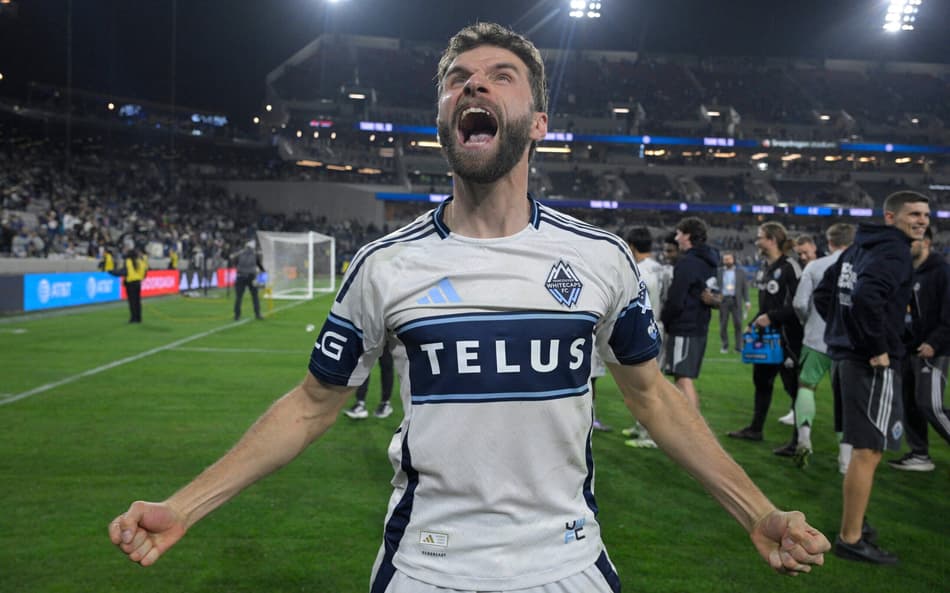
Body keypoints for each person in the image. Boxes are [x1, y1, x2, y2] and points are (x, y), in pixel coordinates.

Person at [108, 23, 829, 590]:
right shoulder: (386, 265)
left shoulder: (598, 259)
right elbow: (309, 405)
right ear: (444, 117)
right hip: (427, 566)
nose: (472, 85)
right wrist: (186, 506)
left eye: (498, 76)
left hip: (569, 564)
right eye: (457, 79)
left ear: (537, 122)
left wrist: (757, 511)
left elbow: (656, 400)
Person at [814, 190, 930, 564]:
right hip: (869, 362)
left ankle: (856, 524)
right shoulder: (894, 249)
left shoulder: (857, 247)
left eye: (926, 215)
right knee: (869, 451)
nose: (922, 220)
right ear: (890, 217)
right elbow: (865, 297)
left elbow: (826, 293)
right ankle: (851, 537)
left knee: (864, 448)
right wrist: (874, 345)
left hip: (847, 357)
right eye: (914, 213)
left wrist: (842, 334)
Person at [728, 222, 803, 457]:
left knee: (795, 390)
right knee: (761, 382)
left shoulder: (790, 267)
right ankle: (755, 429)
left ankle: (799, 441)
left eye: (759, 237)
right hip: (766, 338)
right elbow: (765, 305)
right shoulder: (763, 268)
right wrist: (754, 322)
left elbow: (799, 305)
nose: (756, 241)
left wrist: (771, 316)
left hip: (788, 338)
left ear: (771, 239)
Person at [790, 223, 854, 468]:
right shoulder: (861, 266)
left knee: (807, 386)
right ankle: (845, 460)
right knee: (846, 399)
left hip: (817, 339)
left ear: (829, 243)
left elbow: (799, 303)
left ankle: (804, 440)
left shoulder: (815, 267)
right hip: (848, 344)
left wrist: (809, 322)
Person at [888, 226, 950, 472]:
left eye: (910, 242)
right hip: (909, 349)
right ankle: (919, 454)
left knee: (929, 404)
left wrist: (934, 343)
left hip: (936, 349)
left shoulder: (942, 272)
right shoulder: (909, 273)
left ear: (925, 242)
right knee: (910, 402)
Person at [659, 217, 719, 410]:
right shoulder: (710, 261)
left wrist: (665, 321)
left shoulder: (688, 263)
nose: (676, 238)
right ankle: (688, 426)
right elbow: (714, 294)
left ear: (688, 236)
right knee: (683, 376)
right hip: (699, 325)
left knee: (683, 378)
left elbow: (676, 299)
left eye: (679, 233)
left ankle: (693, 427)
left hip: (685, 326)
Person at [621, 226, 668, 447]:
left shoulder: (639, 272)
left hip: (644, 329)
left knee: (646, 387)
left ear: (631, 246)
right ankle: (641, 426)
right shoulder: (662, 269)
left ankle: (650, 436)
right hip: (660, 326)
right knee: (646, 385)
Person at [344, 342, 395, 420]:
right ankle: (360, 404)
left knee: (386, 365)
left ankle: (385, 403)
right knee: (365, 364)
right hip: (371, 334)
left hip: (387, 334)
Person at [716, 251, 750, 354]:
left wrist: (747, 301)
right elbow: (715, 285)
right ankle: (725, 346)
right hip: (723, 300)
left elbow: (745, 288)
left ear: (733, 260)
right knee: (723, 325)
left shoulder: (741, 272)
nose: (727, 261)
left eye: (729, 259)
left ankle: (738, 347)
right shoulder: (719, 272)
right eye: (725, 259)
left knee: (738, 324)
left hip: (736, 300)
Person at [113, 245, 148, 324]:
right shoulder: (140, 261)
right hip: (138, 282)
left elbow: (124, 272)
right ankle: (139, 318)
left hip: (130, 283)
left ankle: (133, 318)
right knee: (137, 302)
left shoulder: (128, 261)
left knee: (132, 302)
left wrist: (112, 272)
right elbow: (145, 272)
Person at [232, 239, 264, 321]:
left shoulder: (239, 254)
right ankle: (257, 314)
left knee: (239, 297)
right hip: (251, 277)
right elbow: (259, 265)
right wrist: (263, 271)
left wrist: (239, 268)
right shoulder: (255, 254)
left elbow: (233, 261)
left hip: (240, 276)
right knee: (255, 296)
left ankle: (237, 315)